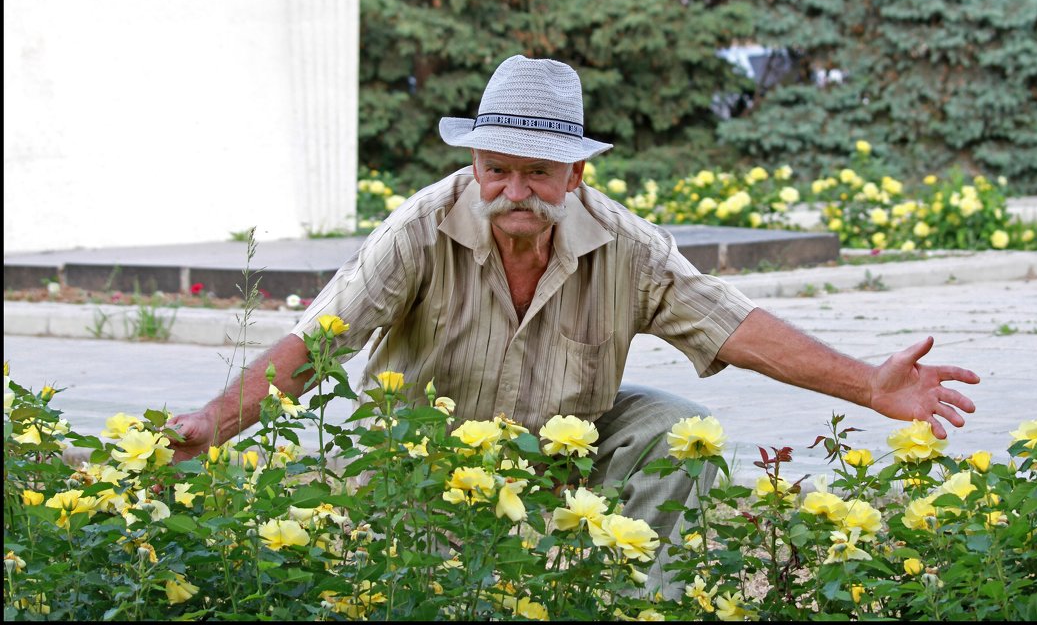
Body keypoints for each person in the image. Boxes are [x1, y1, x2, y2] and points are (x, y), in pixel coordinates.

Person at [167, 54, 978, 597]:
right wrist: (214, 421)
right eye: (496, 169)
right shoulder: (421, 227)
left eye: (537, 172)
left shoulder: (626, 244)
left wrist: (868, 384)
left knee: (679, 428)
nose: (513, 189)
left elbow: (737, 327)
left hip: (565, 453)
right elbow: (317, 343)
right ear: (475, 165)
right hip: (426, 470)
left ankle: (634, 605)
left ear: (576, 174)